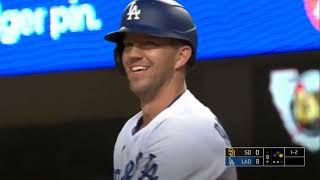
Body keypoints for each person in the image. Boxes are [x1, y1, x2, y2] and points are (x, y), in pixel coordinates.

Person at [104, 0, 237, 179]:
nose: (133, 55)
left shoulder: (190, 130)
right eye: (128, 45)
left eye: (148, 43)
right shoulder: (131, 128)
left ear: (181, 56)